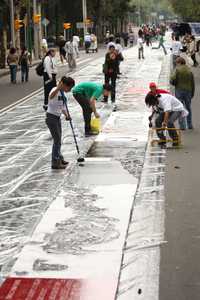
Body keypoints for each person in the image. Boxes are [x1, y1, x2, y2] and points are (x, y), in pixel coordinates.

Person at [46, 76, 75, 169]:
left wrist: (67, 115)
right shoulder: (55, 90)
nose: (70, 90)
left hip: (57, 118)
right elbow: (50, 97)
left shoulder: (62, 93)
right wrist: (58, 87)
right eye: (69, 88)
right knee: (57, 140)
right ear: (64, 85)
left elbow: (62, 107)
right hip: (51, 118)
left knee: (58, 140)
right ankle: (55, 162)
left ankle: (59, 158)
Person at [170, 57, 195, 130]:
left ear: (179, 62)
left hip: (179, 91)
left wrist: (173, 83)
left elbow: (172, 79)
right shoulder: (189, 70)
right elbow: (192, 83)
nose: (176, 64)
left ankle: (182, 126)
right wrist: (192, 93)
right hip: (188, 91)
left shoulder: (177, 70)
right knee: (188, 108)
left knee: (180, 108)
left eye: (177, 63)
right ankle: (190, 125)